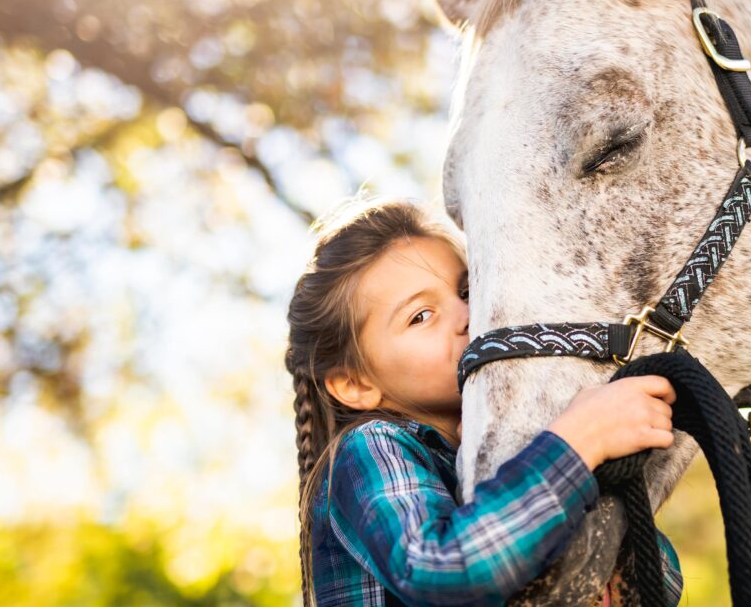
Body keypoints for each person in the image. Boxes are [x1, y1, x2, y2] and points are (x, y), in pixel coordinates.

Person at [286, 196, 683, 606]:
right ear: (355, 383)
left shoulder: (525, 450)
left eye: (465, 289)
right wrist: (580, 441)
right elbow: (439, 569)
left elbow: (662, 581)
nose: (467, 314)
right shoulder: (370, 447)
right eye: (421, 316)